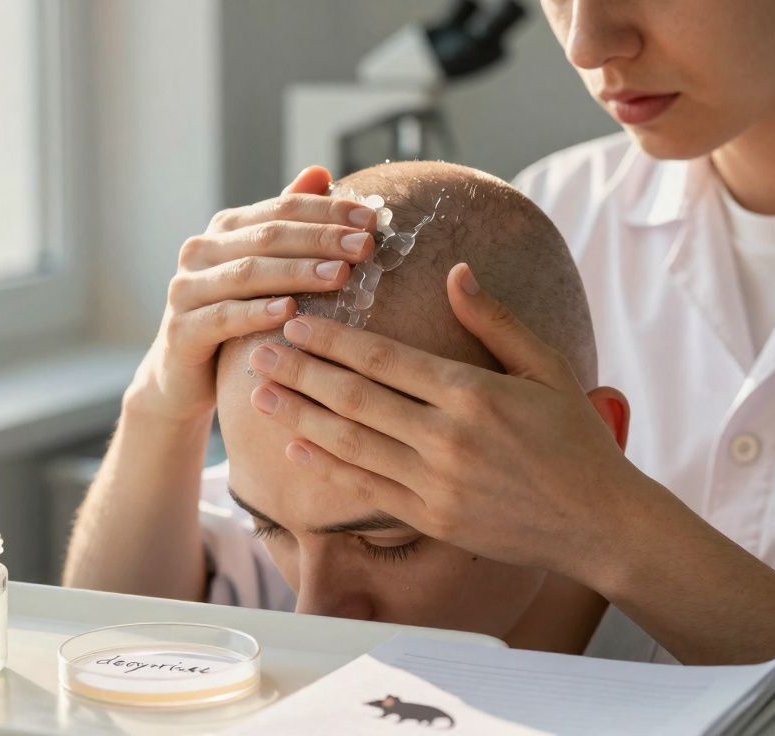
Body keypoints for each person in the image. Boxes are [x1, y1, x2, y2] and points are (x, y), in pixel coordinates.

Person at [215, 3, 775, 688]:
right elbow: (215, 560)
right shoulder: (541, 221)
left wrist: (605, 526)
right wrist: (161, 402)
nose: (587, 42)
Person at [65, 160, 620, 652]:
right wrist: (159, 405)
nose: (311, 610)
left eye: (390, 543)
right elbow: (109, 655)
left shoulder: (692, 643)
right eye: (268, 528)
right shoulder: (294, 520)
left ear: (593, 447)